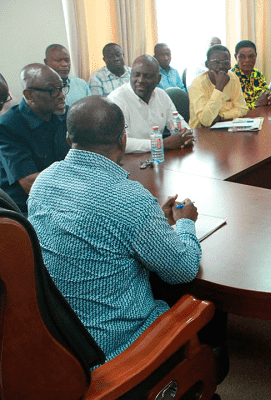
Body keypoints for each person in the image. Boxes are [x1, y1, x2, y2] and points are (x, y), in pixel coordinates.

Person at [27, 96, 202, 363]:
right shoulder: (129, 198)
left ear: (67, 139)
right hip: (116, 347)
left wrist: (155, 223)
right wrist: (186, 222)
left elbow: (91, 237)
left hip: (58, 338)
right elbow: (182, 270)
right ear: (123, 140)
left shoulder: (44, 181)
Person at [0, 64, 70, 214]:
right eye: (52, 90)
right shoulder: (8, 126)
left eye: (62, 87)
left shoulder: (65, 114)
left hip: (65, 199)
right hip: (29, 208)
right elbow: (30, 183)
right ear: (29, 95)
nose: (61, 95)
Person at [108, 55, 194, 153]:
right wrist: (161, 144)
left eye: (147, 76)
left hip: (158, 158)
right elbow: (121, 143)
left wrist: (186, 134)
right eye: (136, 75)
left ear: (158, 79)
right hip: (129, 160)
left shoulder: (161, 95)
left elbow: (177, 122)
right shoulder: (116, 99)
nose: (140, 80)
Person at [188, 44, 247, 128]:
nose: (221, 66)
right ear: (207, 64)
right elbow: (206, 121)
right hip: (201, 134)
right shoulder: (197, 85)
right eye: (216, 62)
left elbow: (242, 109)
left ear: (230, 65)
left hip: (227, 129)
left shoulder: (233, 78)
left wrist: (222, 117)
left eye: (225, 63)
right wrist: (219, 88)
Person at [232, 40, 271, 109]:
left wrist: (270, 99)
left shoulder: (258, 74)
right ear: (236, 57)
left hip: (260, 115)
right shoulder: (231, 78)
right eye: (242, 57)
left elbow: (267, 95)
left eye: (251, 56)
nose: (247, 60)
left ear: (256, 56)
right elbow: (233, 110)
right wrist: (256, 104)